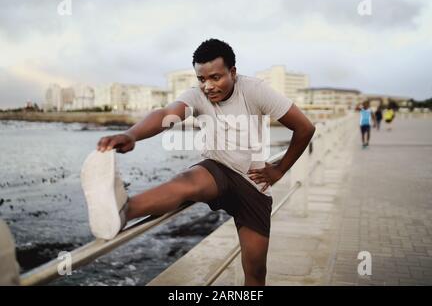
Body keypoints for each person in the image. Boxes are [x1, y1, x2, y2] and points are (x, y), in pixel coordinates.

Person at [81, 39, 315, 286]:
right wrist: (131, 135)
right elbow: (165, 114)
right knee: (188, 181)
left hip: (252, 184)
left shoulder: (255, 90)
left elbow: (305, 128)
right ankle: (123, 211)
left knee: (256, 270)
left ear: (233, 72)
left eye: (215, 77)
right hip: (217, 170)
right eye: (202, 79)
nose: (208, 86)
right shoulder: (195, 95)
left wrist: (279, 170)